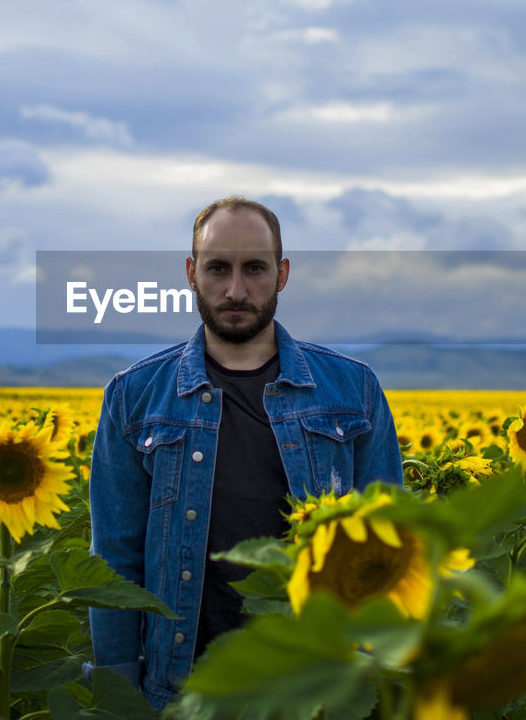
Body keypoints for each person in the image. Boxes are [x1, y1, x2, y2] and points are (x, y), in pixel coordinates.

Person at [86, 196, 403, 709]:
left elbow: (387, 548)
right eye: (218, 268)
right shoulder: (135, 397)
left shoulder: (353, 391)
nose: (236, 290)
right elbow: (116, 564)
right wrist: (120, 697)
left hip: (317, 688)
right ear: (191, 273)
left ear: (282, 274)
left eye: (254, 268)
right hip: (182, 690)